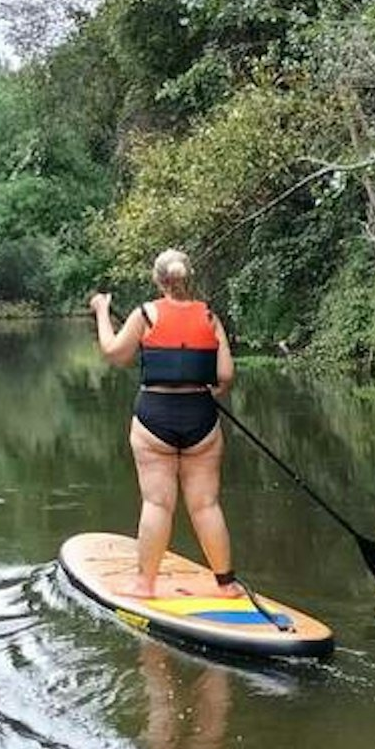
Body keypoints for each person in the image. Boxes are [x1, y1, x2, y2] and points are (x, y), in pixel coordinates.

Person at [89, 248, 243, 599]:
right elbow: (224, 375)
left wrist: (101, 311)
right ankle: (227, 584)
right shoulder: (209, 316)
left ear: (159, 280)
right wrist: (203, 392)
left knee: (158, 503)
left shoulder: (146, 313)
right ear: (189, 278)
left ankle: (145, 585)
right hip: (202, 420)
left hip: (154, 417)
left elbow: (116, 353)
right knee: (206, 504)